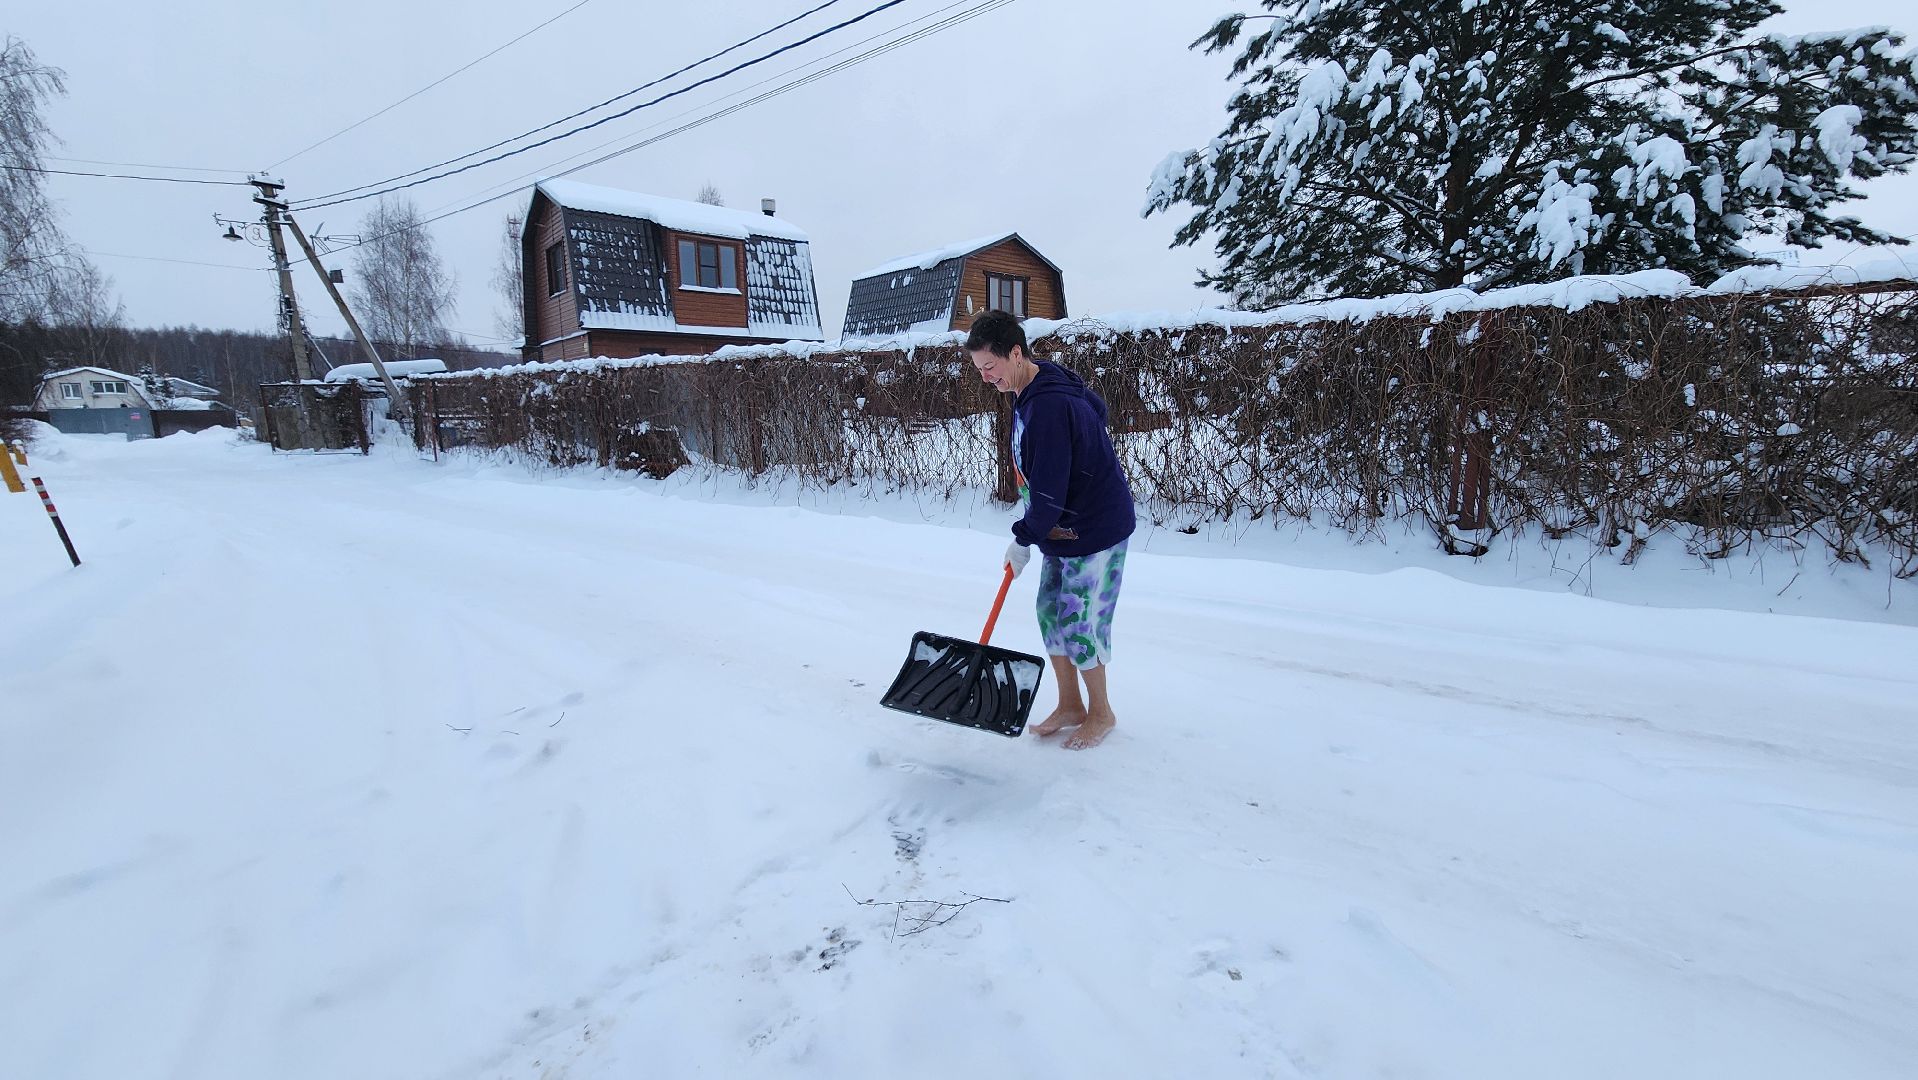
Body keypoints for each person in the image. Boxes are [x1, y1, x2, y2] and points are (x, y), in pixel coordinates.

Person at [965, 309, 1136, 750]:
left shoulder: (1047, 405)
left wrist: (1024, 536)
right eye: (980, 369)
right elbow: (1095, 408)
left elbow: (1050, 484)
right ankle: (1070, 705)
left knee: (1080, 621)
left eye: (991, 367)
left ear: (1016, 353)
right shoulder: (1035, 384)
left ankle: (1101, 712)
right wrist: (1038, 531)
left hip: (1094, 527)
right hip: (1062, 527)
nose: (986, 378)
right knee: (1049, 610)